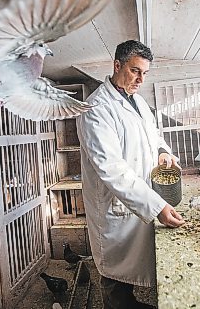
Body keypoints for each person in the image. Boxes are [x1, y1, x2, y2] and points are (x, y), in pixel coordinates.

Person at [76, 40, 185, 308]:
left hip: (138, 197)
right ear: (117, 65)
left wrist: (161, 150)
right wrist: (156, 206)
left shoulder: (137, 100)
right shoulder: (96, 109)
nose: (140, 79)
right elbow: (111, 169)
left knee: (131, 267)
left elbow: (153, 134)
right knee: (115, 276)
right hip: (116, 206)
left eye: (145, 73)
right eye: (135, 71)